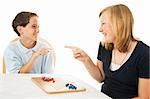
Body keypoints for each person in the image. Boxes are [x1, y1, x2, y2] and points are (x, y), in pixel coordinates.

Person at [65, 4, 149, 98]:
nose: (100, 29)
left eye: (103, 23)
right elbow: (101, 77)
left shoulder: (144, 54)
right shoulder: (104, 46)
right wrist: (86, 60)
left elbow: (144, 97)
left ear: (119, 23)